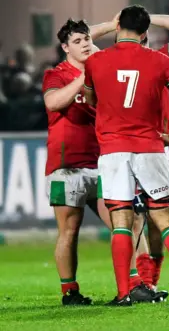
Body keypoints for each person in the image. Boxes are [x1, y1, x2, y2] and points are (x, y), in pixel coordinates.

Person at [83, 4, 169, 306]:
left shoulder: (96, 61)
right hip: (150, 147)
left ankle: (124, 293)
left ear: (118, 25)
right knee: (162, 215)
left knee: (121, 222)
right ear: (146, 32)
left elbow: (90, 97)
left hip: (113, 150)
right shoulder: (159, 61)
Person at [42, 18, 114, 306]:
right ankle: (70, 291)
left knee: (124, 224)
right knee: (69, 231)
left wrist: (111, 25)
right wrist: (84, 77)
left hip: (102, 162)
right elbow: (53, 103)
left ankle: (136, 284)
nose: (84, 44)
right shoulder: (56, 74)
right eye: (77, 41)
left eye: (87, 40)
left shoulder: (102, 72)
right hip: (65, 165)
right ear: (64, 48)